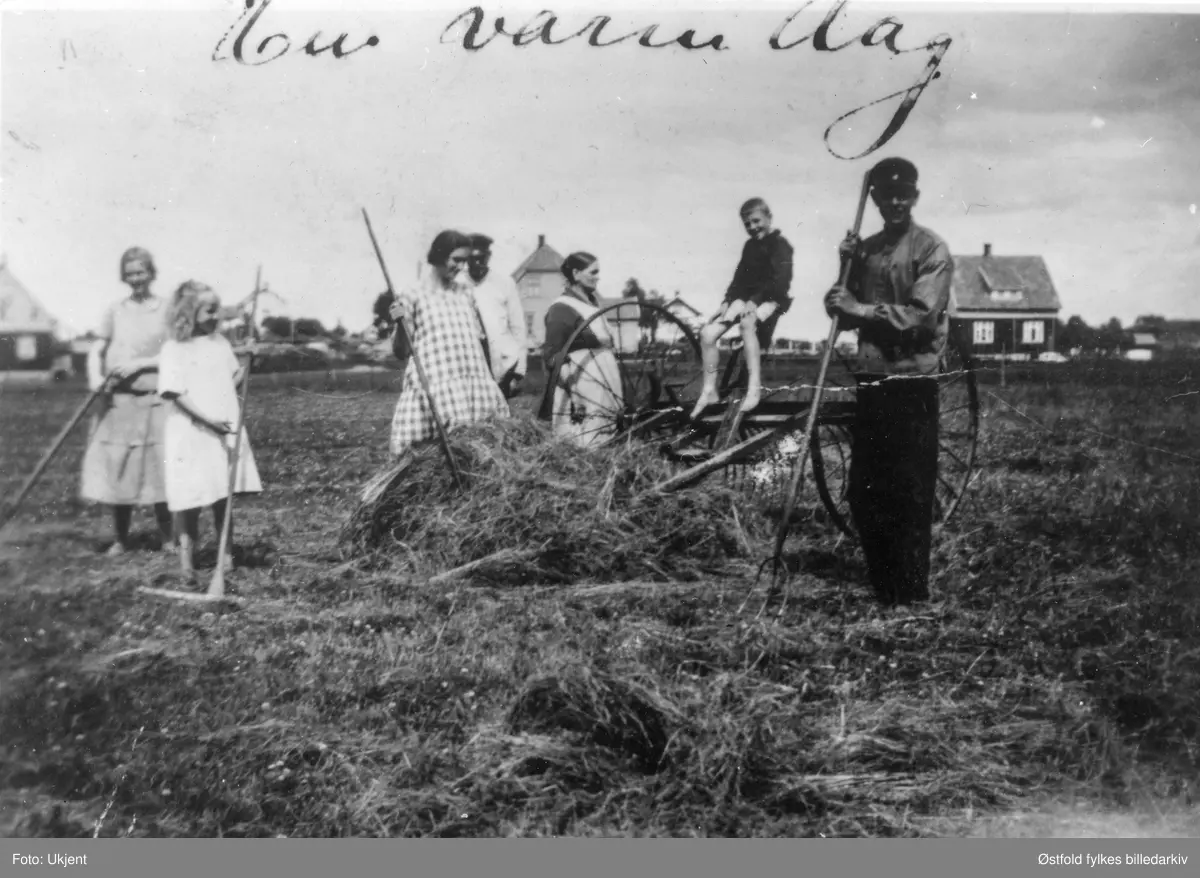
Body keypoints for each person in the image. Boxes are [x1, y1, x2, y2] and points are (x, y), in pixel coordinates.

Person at [823, 156, 953, 606]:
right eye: (886, 195)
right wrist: (840, 280)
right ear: (876, 199)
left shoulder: (931, 249)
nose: (895, 202)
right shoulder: (866, 249)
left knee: (910, 492)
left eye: (904, 194)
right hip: (873, 378)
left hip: (913, 380)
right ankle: (884, 586)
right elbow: (843, 310)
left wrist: (858, 309)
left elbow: (921, 316)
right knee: (865, 491)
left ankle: (912, 594)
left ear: (915, 196)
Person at [158, 281, 263, 582]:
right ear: (189, 312)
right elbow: (174, 393)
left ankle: (225, 557)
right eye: (209, 309)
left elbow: (230, 382)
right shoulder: (174, 348)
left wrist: (249, 360)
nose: (216, 315)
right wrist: (208, 421)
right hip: (191, 430)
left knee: (222, 496)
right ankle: (186, 563)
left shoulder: (219, 343)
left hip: (220, 429)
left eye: (217, 309)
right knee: (188, 497)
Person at [80, 246, 174, 555]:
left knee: (161, 470)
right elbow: (98, 347)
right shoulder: (115, 310)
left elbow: (175, 353)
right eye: (130, 273)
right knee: (119, 469)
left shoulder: (167, 309)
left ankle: (168, 538)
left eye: (141, 272)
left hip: (156, 400)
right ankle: (121, 539)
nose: (136, 279)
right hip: (120, 403)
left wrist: (141, 364)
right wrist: (95, 378)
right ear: (124, 277)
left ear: (151, 273)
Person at [388, 230, 510, 456]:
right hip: (436, 385)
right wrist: (400, 323)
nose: (462, 267)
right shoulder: (413, 294)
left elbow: (476, 342)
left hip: (472, 383)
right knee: (432, 455)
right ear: (439, 256)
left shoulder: (466, 293)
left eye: (465, 261)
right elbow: (402, 351)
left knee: (481, 450)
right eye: (457, 260)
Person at [690, 198, 794, 420]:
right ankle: (709, 390)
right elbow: (739, 278)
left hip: (772, 299)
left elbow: (780, 282)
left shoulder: (781, 245)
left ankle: (753, 388)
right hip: (747, 300)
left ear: (769, 218)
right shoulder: (750, 247)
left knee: (748, 324)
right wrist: (727, 301)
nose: (752, 227)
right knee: (707, 333)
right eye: (747, 224)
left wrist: (754, 302)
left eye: (756, 221)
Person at [537, 251, 624, 447]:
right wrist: (574, 391)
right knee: (585, 439)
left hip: (605, 384)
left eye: (598, 272)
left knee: (608, 433)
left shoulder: (593, 305)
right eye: (592, 272)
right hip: (581, 385)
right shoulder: (561, 308)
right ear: (576, 273)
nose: (597, 277)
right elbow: (552, 355)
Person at [466, 233, 528, 399]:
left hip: (502, 364)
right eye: (472, 259)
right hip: (470, 363)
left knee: (500, 416)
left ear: (489, 256)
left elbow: (518, 327)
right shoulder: (457, 285)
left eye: (482, 258)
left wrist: (519, 372)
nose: (477, 263)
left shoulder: (504, 283)